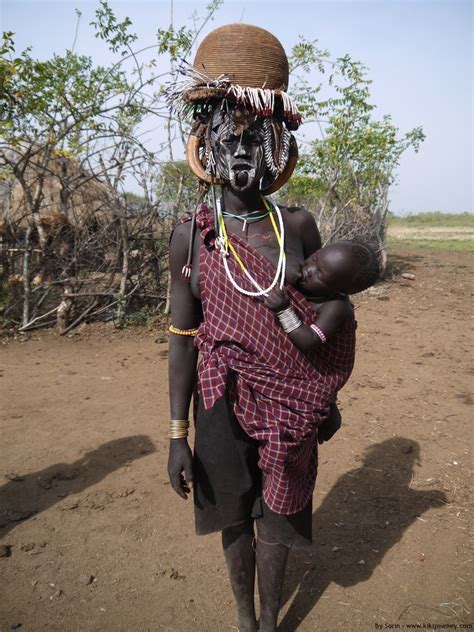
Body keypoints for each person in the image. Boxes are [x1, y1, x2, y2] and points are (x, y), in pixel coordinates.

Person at [165, 24, 356, 632]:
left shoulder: (297, 227)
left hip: (292, 402)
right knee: (233, 511)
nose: (242, 154)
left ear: (278, 145)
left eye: (256, 139)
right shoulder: (191, 233)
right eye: (230, 139)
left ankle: (270, 622)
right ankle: (246, 621)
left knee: (279, 514)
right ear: (207, 145)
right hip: (218, 398)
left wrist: (324, 398)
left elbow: (330, 317)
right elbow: (182, 337)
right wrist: (176, 431)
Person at [264, 240, 380, 443]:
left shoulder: (336, 307)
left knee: (316, 397)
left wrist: (284, 310)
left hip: (327, 370)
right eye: (314, 260)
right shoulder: (302, 279)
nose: (308, 270)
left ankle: (326, 412)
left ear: (340, 290)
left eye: (320, 274)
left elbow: (310, 340)